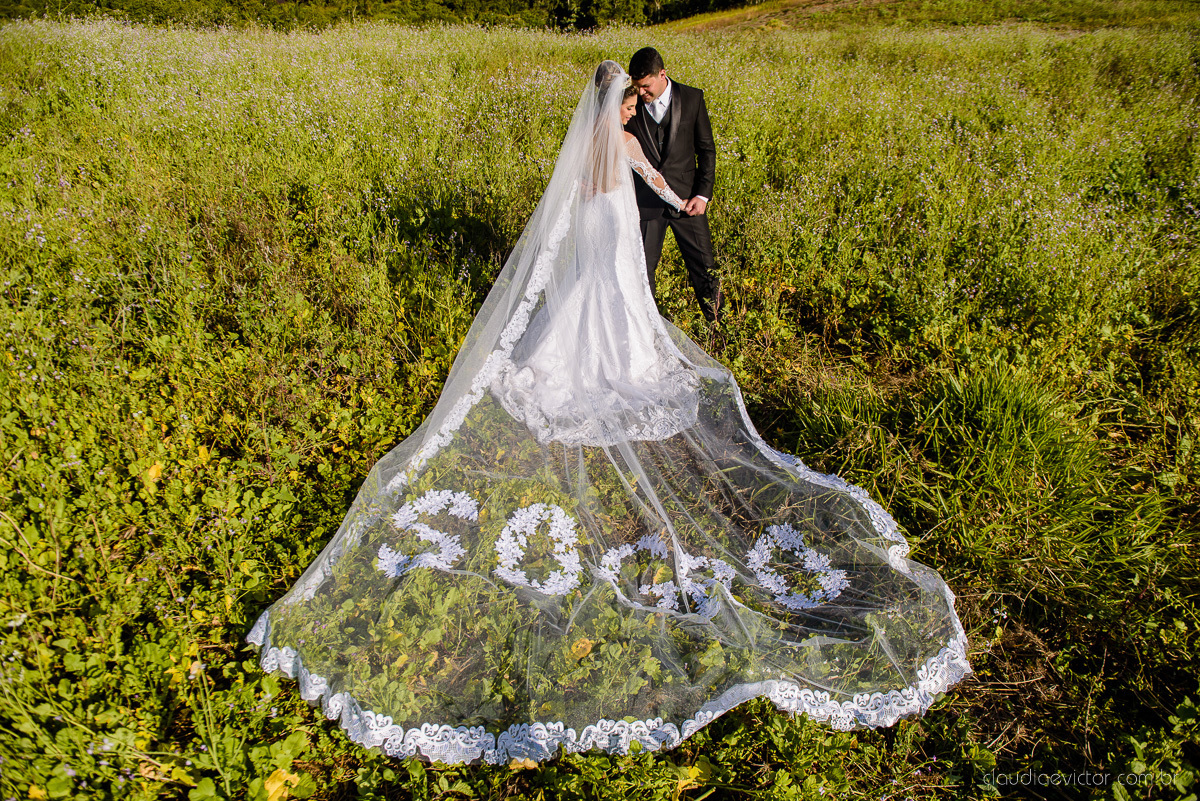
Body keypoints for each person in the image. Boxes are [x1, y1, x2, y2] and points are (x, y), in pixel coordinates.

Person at [247, 62, 970, 766]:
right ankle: (611, 365)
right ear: (613, 102)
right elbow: (647, 178)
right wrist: (672, 194)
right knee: (620, 307)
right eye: (626, 101)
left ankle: (595, 354)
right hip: (611, 235)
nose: (631, 110)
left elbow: (605, 194)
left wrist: (668, 193)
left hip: (601, 235)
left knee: (605, 299)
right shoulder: (615, 140)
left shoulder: (590, 145)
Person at [626, 47, 721, 324]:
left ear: (662, 74)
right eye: (637, 87)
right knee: (643, 273)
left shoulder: (692, 98)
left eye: (646, 86)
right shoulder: (632, 105)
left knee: (704, 268)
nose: (642, 93)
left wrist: (703, 195)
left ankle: (719, 328)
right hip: (646, 204)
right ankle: (650, 332)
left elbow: (707, 150)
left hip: (687, 202)